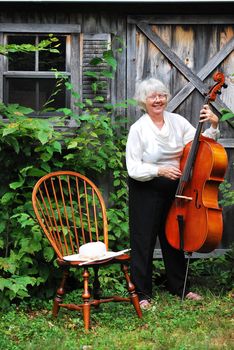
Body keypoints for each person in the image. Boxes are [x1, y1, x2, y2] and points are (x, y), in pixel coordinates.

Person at [126, 78, 220, 309]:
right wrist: (158, 170)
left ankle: (180, 287)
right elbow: (133, 168)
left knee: (175, 238)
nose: (158, 100)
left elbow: (201, 145)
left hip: (177, 188)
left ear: (166, 98)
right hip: (146, 188)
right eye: (152, 96)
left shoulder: (177, 122)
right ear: (144, 101)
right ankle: (142, 293)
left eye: (161, 95)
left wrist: (214, 125)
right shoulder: (138, 128)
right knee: (143, 240)